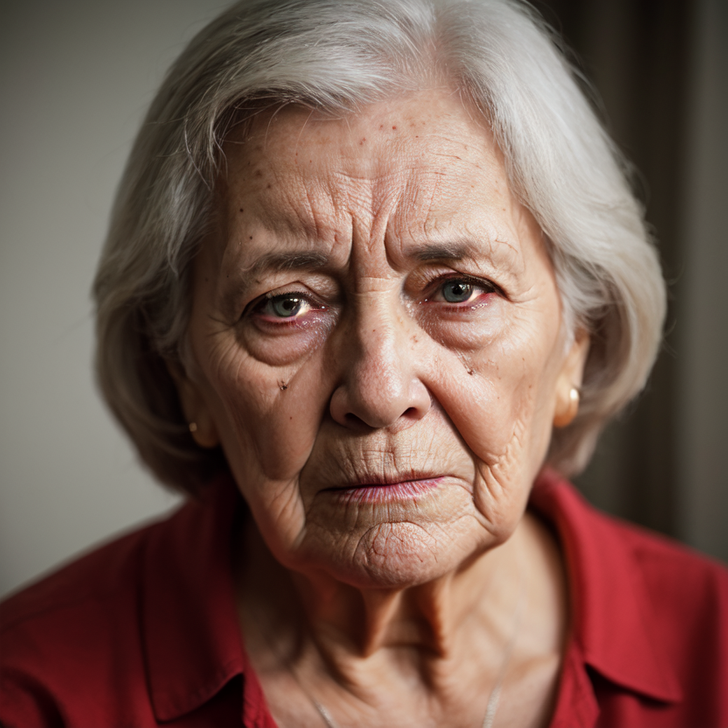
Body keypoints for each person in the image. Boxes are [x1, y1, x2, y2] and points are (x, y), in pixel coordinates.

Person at [1, 0, 726, 726]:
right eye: (285, 305)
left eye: (458, 290)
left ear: (578, 340)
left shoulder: (715, 654)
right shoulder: (31, 694)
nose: (378, 391)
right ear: (182, 371)